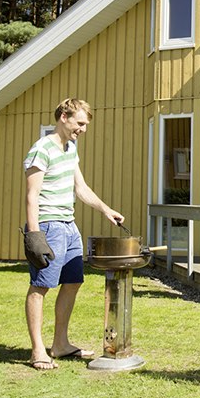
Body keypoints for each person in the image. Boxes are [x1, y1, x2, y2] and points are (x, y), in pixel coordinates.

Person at [23, 98, 124, 370]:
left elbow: (80, 187)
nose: (83, 129)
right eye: (80, 123)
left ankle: (60, 344)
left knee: (73, 281)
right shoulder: (42, 149)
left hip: (69, 225)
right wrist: (34, 235)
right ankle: (38, 351)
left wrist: (105, 209)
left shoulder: (70, 148)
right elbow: (32, 195)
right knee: (41, 286)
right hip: (48, 225)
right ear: (64, 117)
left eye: (85, 124)